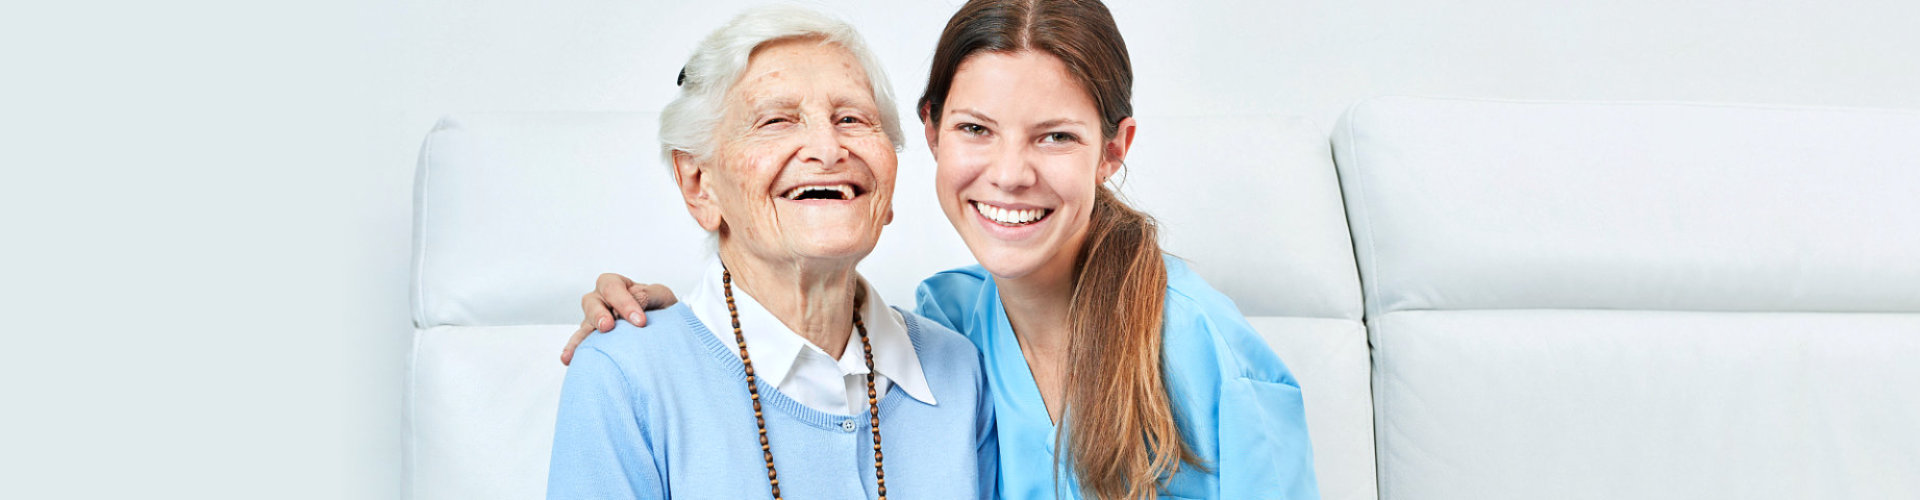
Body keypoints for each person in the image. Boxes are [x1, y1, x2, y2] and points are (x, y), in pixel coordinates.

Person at [566, 1, 1317, 498]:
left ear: (1112, 150)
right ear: (932, 136)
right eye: (976, 129)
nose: (1011, 174)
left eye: (1055, 135)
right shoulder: (952, 323)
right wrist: (669, 336)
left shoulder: (1201, 351)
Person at [545, 5, 994, 499]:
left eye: (852, 118)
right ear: (699, 185)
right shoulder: (624, 376)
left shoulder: (961, 370)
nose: (827, 150)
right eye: (777, 121)